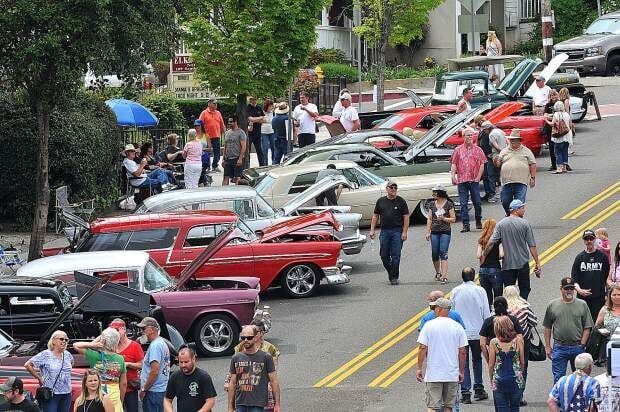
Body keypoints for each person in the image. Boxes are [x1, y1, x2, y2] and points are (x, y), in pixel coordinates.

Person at [416, 298, 468, 412]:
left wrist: (419, 368)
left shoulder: (429, 325)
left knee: (432, 406)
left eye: (435, 308)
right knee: (448, 407)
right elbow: (462, 351)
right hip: (451, 373)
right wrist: (461, 371)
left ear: (439, 309)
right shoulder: (457, 327)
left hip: (434, 373)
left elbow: (422, 348)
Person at [483, 199, 541, 300]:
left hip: (507, 264)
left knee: (509, 290)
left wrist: (485, 254)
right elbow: (532, 245)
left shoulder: (501, 224)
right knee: (525, 288)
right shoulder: (524, 223)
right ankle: (522, 305)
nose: (524, 210)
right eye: (522, 208)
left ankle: (511, 307)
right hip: (522, 263)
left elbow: (491, 242)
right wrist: (537, 262)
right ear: (516, 210)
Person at [450, 267, 490, 404]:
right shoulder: (480, 291)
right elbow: (486, 312)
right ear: (474, 277)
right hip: (478, 332)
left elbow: (453, 312)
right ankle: (479, 388)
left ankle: (465, 392)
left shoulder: (455, 291)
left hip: (462, 333)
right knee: (477, 360)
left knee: (463, 362)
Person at [543, 277, 594, 384]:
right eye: (567, 288)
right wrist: (548, 346)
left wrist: (582, 344)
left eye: (571, 288)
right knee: (558, 378)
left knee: (580, 378)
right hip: (560, 348)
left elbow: (587, 327)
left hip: (577, 347)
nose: (569, 291)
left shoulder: (582, 304)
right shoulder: (552, 305)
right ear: (561, 289)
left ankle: (577, 399)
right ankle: (560, 400)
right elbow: (547, 327)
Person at [226, 320, 280, 411]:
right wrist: (230, 407)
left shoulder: (266, 356)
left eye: (249, 337)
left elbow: (274, 381)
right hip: (240, 403)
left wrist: (277, 404)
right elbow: (232, 382)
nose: (246, 340)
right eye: (243, 338)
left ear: (256, 337)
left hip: (258, 403)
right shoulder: (236, 357)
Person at [72, 328, 127, 412]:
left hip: (98, 393)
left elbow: (76, 345)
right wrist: (121, 400)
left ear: (103, 341)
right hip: (114, 394)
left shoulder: (94, 356)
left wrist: (94, 344)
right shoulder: (120, 359)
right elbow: (123, 383)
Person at [369, 180, 410, 285]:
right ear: (386, 189)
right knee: (384, 255)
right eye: (391, 187)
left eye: (395, 188)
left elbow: (406, 217)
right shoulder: (381, 201)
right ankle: (391, 272)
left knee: (396, 255)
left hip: (397, 230)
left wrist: (404, 232)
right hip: (385, 231)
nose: (393, 189)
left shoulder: (401, 201)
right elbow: (375, 216)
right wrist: (372, 229)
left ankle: (394, 277)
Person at [504, 285, 538, 405]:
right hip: (523, 342)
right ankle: (519, 395)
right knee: (523, 367)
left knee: (507, 367)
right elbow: (534, 321)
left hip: (505, 343)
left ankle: (507, 394)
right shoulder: (524, 307)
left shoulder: (502, 309)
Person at [24, 330, 73, 412]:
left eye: (66, 340)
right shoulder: (45, 354)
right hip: (51, 393)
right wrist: (39, 378)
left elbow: (72, 363)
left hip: (66, 393)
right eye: (61, 339)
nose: (64, 341)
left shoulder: (68, 354)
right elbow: (27, 365)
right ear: (53, 340)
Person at [450, 128, 486, 232]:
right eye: (468, 135)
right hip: (462, 180)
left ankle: (478, 220)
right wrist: (453, 176)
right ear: (463, 137)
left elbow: (482, 164)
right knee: (463, 203)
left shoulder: (478, 150)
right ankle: (466, 224)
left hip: (474, 180)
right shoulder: (458, 150)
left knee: (477, 202)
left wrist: (478, 177)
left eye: (471, 135)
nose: (470, 137)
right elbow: (454, 163)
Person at [572, 229, 611, 324]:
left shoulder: (602, 257)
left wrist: (608, 296)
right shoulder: (579, 258)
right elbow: (574, 279)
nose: (589, 241)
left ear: (594, 240)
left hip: (599, 297)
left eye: (591, 238)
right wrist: (579, 290)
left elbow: (607, 278)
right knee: (584, 323)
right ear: (584, 241)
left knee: (598, 323)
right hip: (583, 299)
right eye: (586, 239)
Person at [494, 129, 537, 216]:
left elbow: (532, 164)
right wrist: (496, 161)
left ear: (519, 141)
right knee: (505, 201)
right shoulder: (504, 151)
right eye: (511, 140)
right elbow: (498, 164)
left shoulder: (526, 151)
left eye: (514, 140)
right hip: (507, 181)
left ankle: (518, 220)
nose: (512, 141)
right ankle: (509, 214)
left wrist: (533, 178)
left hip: (521, 181)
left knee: (519, 202)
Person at [488, 315, 525, 411]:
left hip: (499, 380)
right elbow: (522, 362)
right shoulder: (518, 340)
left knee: (502, 408)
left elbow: (491, 365)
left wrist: (492, 379)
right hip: (516, 379)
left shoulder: (494, 342)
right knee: (515, 408)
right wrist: (520, 373)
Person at [164, 346, 216, 412]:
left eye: (186, 362)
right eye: (181, 362)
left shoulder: (203, 377)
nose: (183, 365)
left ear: (193, 359)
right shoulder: (174, 377)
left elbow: (210, 401)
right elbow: (167, 399)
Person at [109, 319, 143, 412]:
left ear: (123, 329)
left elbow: (142, 365)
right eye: (112, 331)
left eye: (117, 330)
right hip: (113, 389)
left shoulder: (134, 346)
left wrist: (128, 364)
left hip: (130, 388)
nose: (114, 334)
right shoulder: (111, 346)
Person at [425, 184, 456, 284]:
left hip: (445, 231)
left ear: (440, 193)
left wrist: (444, 218)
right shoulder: (431, 204)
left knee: (443, 252)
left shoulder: (449, 204)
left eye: (435, 192)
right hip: (434, 231)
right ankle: (438, 272)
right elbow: (429, 218)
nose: (433, 194)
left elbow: (453, 219)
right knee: (435, 253)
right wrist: (427, 232)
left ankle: (444, 276)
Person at [138, 317, 170, 412]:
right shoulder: (161, 343)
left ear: (152, 329)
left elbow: (154, 371)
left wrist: (144, 389)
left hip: (153, 392)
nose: (141, 332)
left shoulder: (155, 346)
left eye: (143, 329)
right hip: (159, 390)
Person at [480, 297, 525, 364]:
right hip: (512, 355)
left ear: (494, 308)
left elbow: (482, 344)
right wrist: (520, 357)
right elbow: (520, 339)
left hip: (495, 355)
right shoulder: (513, 320)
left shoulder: (488, 321)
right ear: (507, 306)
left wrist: (488, 359)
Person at [477, 219, 503, 306]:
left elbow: (478, 255)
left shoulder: (481, 240)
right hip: (495, 268)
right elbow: (501, 254)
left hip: (483, 269)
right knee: (498, 295)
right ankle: (497, 313)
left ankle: (489, 313)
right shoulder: (498, 240)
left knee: (487, 295)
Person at [593, 285, 620, 364]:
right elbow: (597, 327)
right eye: (614, 295)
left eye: (619, 295)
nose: (616, 297)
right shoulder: (605, 310)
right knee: (612, 373)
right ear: (609, 296)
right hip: (610, 347)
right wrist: (602, 331)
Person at [199, 98, 226, 172]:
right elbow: (199, 124)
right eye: (214, 103)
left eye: (216, 103)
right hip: (207, 136)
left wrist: (225, 133)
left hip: (216, 135)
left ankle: (215, 165)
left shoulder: (218, 113)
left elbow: (222, 124)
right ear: (209, 104)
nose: (216, 105)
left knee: (217, 152)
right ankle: (207, 167)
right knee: (207, 152)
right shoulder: (204, 113)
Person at [546, 100, 573, 174]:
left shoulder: (556, 114)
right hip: (567, 136)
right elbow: (570, 125)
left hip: (559, 136)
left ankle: (559, 168)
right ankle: (564, 167)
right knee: (565, 151)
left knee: (558, 152)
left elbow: (552, 124)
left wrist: (546, 120)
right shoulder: (567, 114)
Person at [222, 116, 247, 186]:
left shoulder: (241, 133)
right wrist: (223, 158)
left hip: (236, 158)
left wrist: (240, 159)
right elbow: (225, 146)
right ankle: (223, 193)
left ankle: (237, 193)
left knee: (237, 177)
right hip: (228, 158)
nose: (229, 123)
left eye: (231, 122)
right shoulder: (227, 133)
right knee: (225, 176)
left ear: (235, 122)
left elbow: (243, 146)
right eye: (228, 122)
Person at [477, 121, 496, 202]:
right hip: (483, 156)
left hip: (488, 156)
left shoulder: (489, 134)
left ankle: (492, 193)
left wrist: (490, 154)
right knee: (485, 176)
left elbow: (490, 144)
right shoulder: (483, 132)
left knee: (489, 176)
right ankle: (488, 193)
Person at [543, 90, 560, 172]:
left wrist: (551, 116)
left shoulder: (560, 103)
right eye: (551, 95)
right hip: (549, 128)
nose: (553, 97)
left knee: (560, 145)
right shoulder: (548, 105)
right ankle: (553, 164)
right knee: (551, 146)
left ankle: (562, 163)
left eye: (554, 95)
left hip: (559, 127)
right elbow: (545, 116)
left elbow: (560, 115)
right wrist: (552, 116)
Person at [247, 96, 266, 166]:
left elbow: (264, 120)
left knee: (259, 151)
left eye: (255, 99)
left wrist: (255, 119)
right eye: (252, 99)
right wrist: (260, 118)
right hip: (249, 133)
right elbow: (250, 119)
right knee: (247, 151)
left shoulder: (259, 108)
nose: (254, 101)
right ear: (250, 100)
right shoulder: (247, 108)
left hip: (258, 132)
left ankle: (262, 166)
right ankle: (247, 166)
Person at [260, 99, 276, 165]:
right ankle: (265, 164)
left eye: (272, 106)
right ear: (267, 106)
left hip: (272, 132)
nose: (272, 107)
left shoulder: (274, 112)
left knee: (273, 148)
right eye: (270, 106)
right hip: (264, 132)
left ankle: (274, 163)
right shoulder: (262, 112)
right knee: (265, 149)